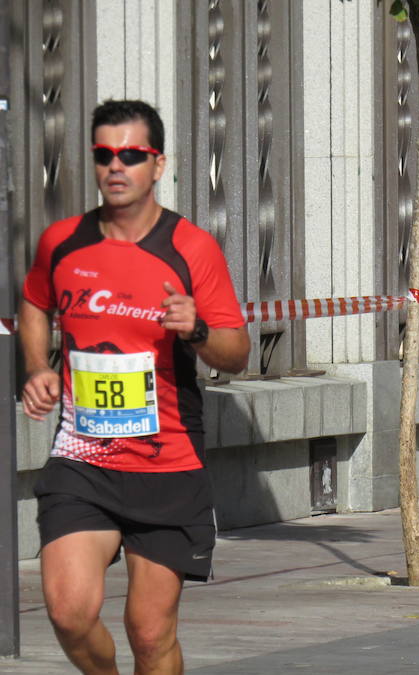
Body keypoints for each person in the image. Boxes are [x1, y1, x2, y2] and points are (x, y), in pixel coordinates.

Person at [19, 99, 250, 674]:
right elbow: (33, 301)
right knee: (70, 612)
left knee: (149, 635)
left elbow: (237, 353)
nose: (115, 166)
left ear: (158, 164)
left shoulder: (190, 248)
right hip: (82, 460)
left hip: (167, 464)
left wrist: (195, 328)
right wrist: (37, 367)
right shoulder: (63, 244)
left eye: (130, 155)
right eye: (103, 154)